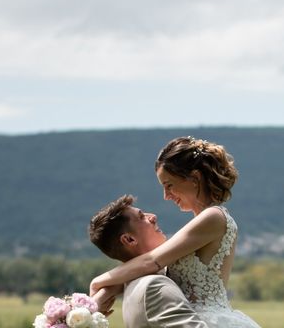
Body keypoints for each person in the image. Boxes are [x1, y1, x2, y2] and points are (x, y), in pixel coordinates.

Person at [90, 136, 261, 327]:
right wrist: (107, 291)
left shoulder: (213, 217)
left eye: (169, 185)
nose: (166, 196)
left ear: (195, 178)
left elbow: (151, 261)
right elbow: (146, 268)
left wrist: (99, 280)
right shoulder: (199, 222)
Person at [88, 194, 208, 328]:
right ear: (129, 240)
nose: (153, 217)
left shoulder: (132, 286)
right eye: (141, 216)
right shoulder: (154, 287)